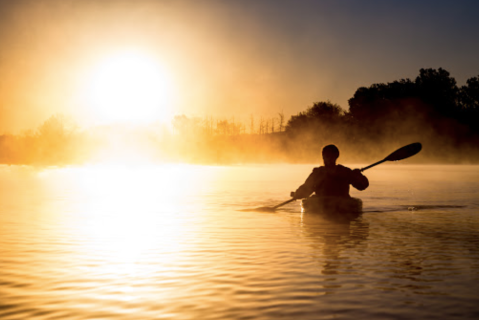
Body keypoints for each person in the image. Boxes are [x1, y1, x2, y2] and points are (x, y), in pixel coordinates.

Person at [293, 144, 369, 200]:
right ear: (323, 157)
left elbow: (362, 186)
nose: (328, 159)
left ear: (336, 157)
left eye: (331, 156)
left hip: (342, 204)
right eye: (326, 156)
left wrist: (358, 175)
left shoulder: (345, 172)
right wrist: (297, 194)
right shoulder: (318, 173)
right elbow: (307, 188)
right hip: (321, 204)